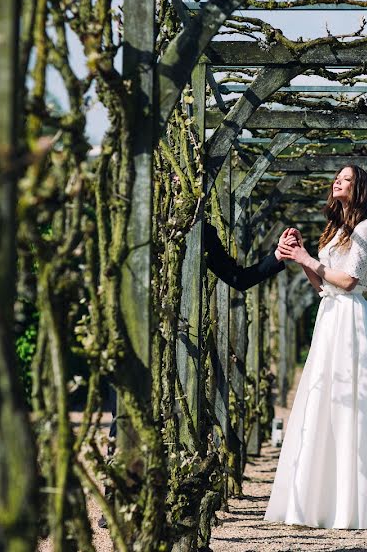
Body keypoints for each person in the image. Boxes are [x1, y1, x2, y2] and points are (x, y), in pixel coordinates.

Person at [98, 223, 299, 528]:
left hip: (179, 350)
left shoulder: (198, 227)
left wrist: (276, 256)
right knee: (124, 418)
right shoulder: (127, 214)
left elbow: (237, 278)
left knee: (176, 421)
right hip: (129, 338)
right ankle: (117, 502)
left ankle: (166, 505)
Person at [264, 165, 367, 530]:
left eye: (346, 179)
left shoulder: (366, 229)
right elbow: (321, 283)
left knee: (354, 405)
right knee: (323, 401)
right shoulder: (335, 230)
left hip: (351, 320)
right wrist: (300, 254)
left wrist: (306, 259)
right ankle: (320, 502)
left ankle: (359, 505)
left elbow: (347, 281)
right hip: (329, 317)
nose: (337, 181)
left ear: (359, 188)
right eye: (337, 177)